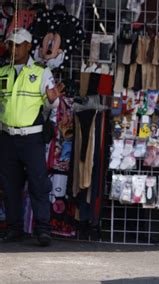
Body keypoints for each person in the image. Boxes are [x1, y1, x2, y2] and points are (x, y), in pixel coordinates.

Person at [0, 28, 62, 246]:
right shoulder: (3, 72)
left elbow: (51, 104)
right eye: (10, 44)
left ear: (28, 46)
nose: (13, 49)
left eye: (18, 45)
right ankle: (14, 229)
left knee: (38, 185)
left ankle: (43, 230)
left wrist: (52, 100)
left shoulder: (40, 72)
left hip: (32, 138)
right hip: (7, 137)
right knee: (9, 186)